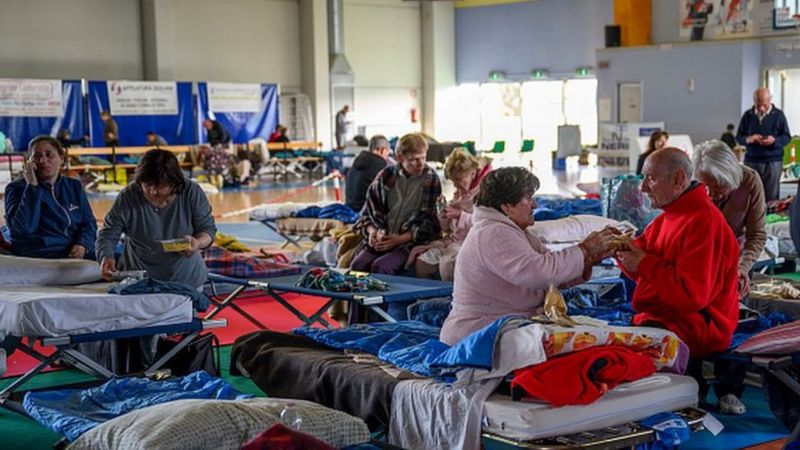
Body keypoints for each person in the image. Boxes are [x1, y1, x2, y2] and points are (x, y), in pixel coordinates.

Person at [439, 167, 619, 345]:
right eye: (528, 198)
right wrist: (585, 249)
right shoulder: (493, 233)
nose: (535, 204)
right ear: (507, 207)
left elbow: (555, 276)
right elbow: (541, 273)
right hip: (480, 335)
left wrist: (593, 257)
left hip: (500, 326)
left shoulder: (514, 232)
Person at [616, 148, 739, 401]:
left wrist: (645, 264)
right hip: (667, 317)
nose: (643, 189)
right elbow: (641, 267)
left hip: (697, 326)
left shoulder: (702, 221)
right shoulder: (668, 218)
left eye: (651, 178)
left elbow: (692, 298)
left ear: (679, 179)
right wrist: (618, 250)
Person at [693, 139, 766, 415]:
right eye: (706, 186)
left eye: (719, 187)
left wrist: (742, 268)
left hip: (735, 259)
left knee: (732, 324)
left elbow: (757, 234)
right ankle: (695, 388)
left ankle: (730, 390)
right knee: (693, 322)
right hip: (698, 258)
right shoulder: (692, 181)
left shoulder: (750, 181)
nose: (712, 194)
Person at [96, 149, 217, 289]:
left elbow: (207, 230)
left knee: (183, 311)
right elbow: (108, 233)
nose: (152, 191)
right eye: (147, 185)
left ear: (174, 182)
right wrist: (106, 257)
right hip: (137, 277)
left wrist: (197, 242)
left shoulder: (191, 192)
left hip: (185, 278)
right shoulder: (128, 196)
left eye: (160, 186)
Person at [350, 133, 441, 275]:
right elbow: (368, 212)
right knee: (357, 264)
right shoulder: (386, 175)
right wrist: (373, 233)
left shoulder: (431, 179)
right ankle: (357, 297)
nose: (421, 164)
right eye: (414, 160)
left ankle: (379, 297)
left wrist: (399, 239)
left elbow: (430, 221)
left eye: (423, 157)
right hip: (383, 236)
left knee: (381, 267)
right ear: (399, 157)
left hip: (409, 241)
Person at [4, 136, 97, 259]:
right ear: (29, 162)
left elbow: (89, 223)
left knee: (120, 259)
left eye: (49, 155)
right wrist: (32, 187)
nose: (43, 160)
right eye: (37, 156)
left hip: (73, 252)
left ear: (61, 159)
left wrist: (82, 244)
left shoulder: (73, 186)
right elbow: (22, 230)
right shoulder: (16, 188)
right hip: (38, 255)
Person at [409, 148, 491, 281]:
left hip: (474, 242)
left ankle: (454, 297)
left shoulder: (486, 194)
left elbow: (487, 224)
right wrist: (443, 214)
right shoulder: (459, 194)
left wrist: (460, 215)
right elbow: (446, 229)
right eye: (453, 181)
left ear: (472, 172)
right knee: (422, 262)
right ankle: (429, 298)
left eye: (459, 179)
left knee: (450, 262)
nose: (456, 185)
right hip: (455, 241)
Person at [736, 87, 792, 202]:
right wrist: (749, 139)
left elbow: (787, 137)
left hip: (773, 161)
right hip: (752, 161)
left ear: (770, 100)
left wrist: (774, 141)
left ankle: (770, 219)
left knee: (771, 196)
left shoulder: (779, 115)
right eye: (758, 105)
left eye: (765, 105)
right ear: (754, 101)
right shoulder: (748, 115)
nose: (761, 108)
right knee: (750, 195)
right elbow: (739, 138)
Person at [345, 134, 390, 212]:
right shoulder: (380, 166)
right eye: (387, 151)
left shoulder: (357, 162)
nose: (388, 155)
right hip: (365, 212)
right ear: (382, 150)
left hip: (349, 208)